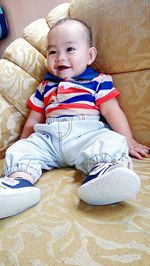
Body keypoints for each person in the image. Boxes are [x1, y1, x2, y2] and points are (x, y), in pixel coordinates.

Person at [0, 18, 149, 219]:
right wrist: (23, 142)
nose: (60, 57)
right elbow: (34, 120)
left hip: (86, 135)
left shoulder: (97, 81)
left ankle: (102, 173)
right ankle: (18, 183)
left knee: (112, 140)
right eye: (52, 52)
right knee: (20, 149)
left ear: (89, 56)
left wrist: (129, 140)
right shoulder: (46, 86)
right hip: (49, 140)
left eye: (70, 49)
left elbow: (112, 111)